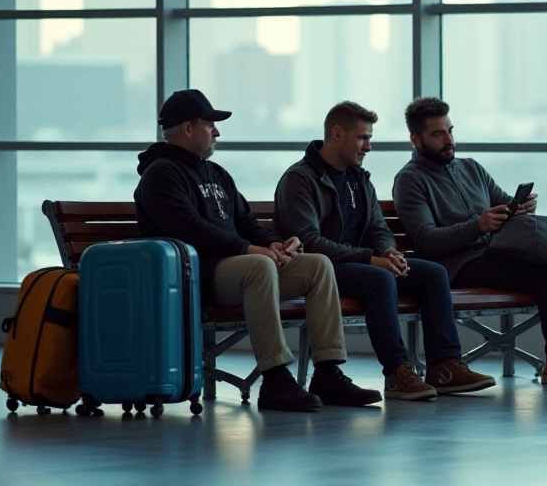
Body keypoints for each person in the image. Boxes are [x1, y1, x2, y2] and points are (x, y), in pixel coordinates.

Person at [135, 89, 382, 412]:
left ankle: (327, 372)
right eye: (211, 125)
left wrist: (274, 244)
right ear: (187, 128)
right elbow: (190, 229)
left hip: (238, 269)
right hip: (196, 275)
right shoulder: (160, 175)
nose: (217, 132)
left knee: (318, 265)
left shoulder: (216, 173)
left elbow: (245, 221)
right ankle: (275, 377)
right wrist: (249, 250)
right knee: (258, 267)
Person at [274, 101, 496, 401]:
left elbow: (379, 228)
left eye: (370, 139)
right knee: (379, 279)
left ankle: (444, 366)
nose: (368, 147)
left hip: (364, 264)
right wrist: (372, 259)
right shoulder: (300, 179)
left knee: (432, 273)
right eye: (362, 138)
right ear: (337, 134)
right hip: (321, 270)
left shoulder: (358, 178)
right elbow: (310, 241)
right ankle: (397, 372)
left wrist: (391, 253)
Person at [392, 97, 547, 383]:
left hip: (493, 253)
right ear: (416, 139)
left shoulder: (471, 168)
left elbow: (504, 205)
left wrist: (519, 207)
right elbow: (425, 241)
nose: (448, 139)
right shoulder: (410, 179)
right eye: (438, 134)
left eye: (450, 130)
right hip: (456, 266)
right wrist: (478, 226)